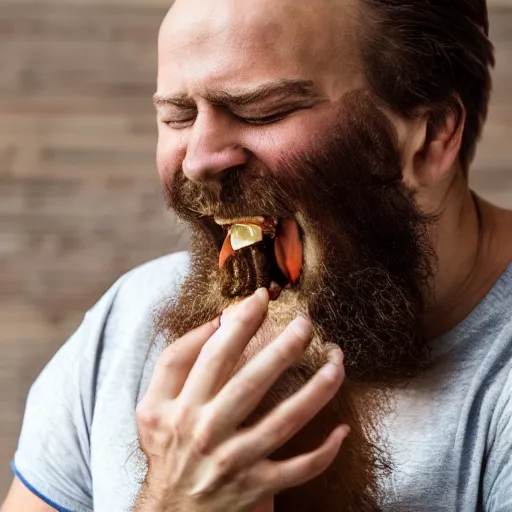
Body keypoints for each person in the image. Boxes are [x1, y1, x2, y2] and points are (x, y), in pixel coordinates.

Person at [2, 0, 511, 510]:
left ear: (431, 136)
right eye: (178, 116)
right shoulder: (126, 323)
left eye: (262, 110)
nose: (199, 161)